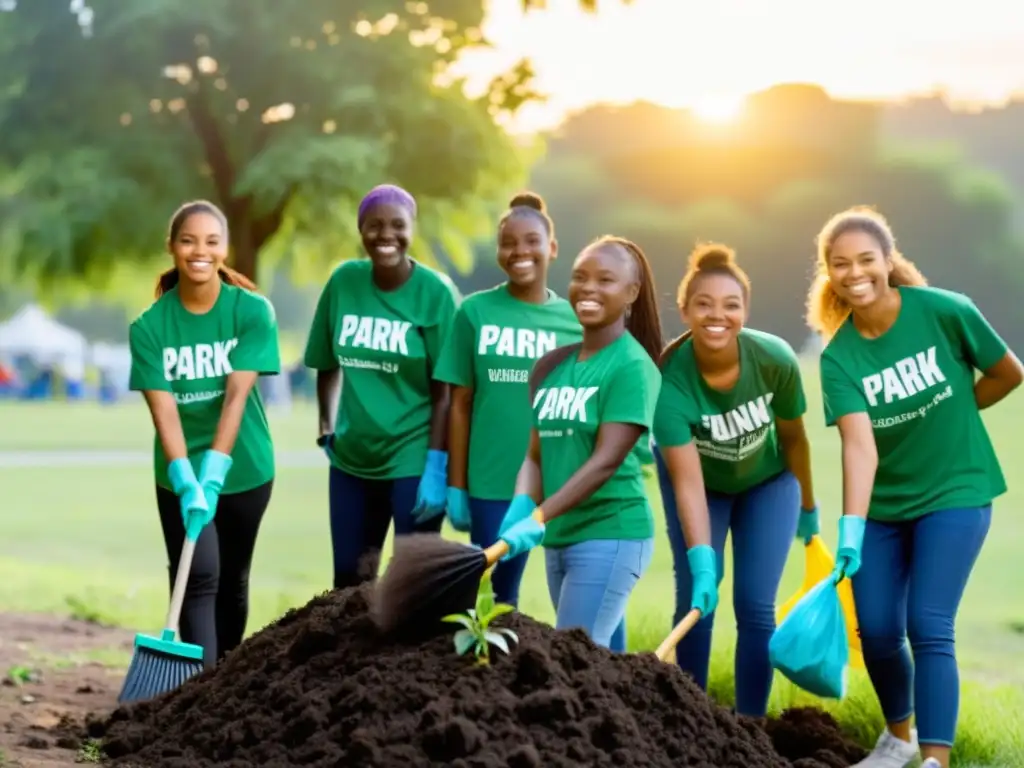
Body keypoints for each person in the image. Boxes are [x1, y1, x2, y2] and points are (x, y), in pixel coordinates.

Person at [806, 206, 1023, 768]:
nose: (854, 273)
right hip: (883, 507)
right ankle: (899, 737)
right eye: (840, 264)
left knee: (927, 622)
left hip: (957, 490)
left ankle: (934, 759)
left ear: (888, 259)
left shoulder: (947, 312)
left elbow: (1008, 372)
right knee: (876, 629)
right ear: (828, 272)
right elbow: (859, 445)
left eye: (866, 260)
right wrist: (851, 529)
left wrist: (957, 417)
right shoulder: (839, 359)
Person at [650, 243, 819, 717]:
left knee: (755, 606)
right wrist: (704, 562)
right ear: (684, 310)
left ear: (745, 310)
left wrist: (808, 505)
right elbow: (686, 482)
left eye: (731, 305)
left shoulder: (774, 359)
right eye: (703, 304)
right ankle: (689, 720)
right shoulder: (668, 385)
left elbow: (795, 440)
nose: (717, 316)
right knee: (695, 602)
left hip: (769, 485)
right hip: (702, 488)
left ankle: (749, 727)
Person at [128, 200, 280, 668]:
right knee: (197, 578)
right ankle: (199, 694)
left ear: (224, 248)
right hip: (178, 471)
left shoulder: (252, 312)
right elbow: (164, 413)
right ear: (172, 247)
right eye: (188, 240)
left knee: (233, 580)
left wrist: (214, 470)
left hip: (246, 469)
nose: (200, 251)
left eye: (212, 241)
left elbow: (236, 397)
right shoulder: (149, 327)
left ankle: (226, 683)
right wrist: (186, 477)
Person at [494, 234, 663, 650]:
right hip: (561, 535)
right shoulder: (552, 368)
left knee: (573, 654)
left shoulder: (631, 366)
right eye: (580, 277)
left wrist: (539, 517)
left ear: (631, 293)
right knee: (595, 660)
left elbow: (605, 461)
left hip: (611, 532)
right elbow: (536, 455)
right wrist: (521, 504)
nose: (588, 288)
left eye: (605, 279)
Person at [303, 184, 461, 590]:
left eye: (397, 225)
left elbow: (445, 391)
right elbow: (326, 362)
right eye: (374, 225)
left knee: (411, 580)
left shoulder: (435, 293)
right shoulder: (344, 283)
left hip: (412, 454)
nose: (385, 234)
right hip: (352, 458)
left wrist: (437, 466)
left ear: (412, 229)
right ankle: (354, 657)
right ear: (361, 231)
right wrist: (325, 423)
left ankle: (409, 657)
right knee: (349, 579)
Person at [433, 192, 582, 610]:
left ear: (551, 248)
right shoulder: (475, 313)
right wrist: (456, 484)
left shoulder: (575, 321)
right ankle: (488, 675)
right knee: (495, 595)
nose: (520, 251)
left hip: (562, 485)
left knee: (576, 594)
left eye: (531, 240)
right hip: (493, 482)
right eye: (509, 242)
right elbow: (459, 403)